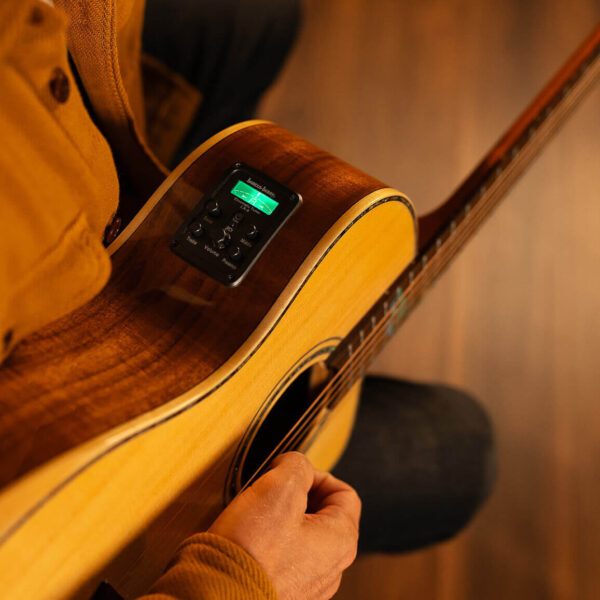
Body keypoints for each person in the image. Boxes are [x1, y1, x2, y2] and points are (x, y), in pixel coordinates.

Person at [0, 0, 496, 598]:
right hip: (63, 510)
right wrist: (243, 575)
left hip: (87, 244)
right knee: (460, 449)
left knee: (254, 21)